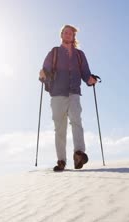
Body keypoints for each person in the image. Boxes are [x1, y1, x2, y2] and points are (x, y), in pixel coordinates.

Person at [39, 24, 97, 172]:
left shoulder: (79, 55)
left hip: (74, 92)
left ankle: (79, 154)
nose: (68, 35)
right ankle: (61, 161)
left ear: (73, 36)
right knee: (60, 128)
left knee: (76, 121)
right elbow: (45, 68)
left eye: (70, 33)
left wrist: (90, 80)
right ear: (62, 35)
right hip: (57, 93)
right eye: (65, 32)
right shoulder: (55, 52)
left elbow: (85, 73)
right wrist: (43, 74)